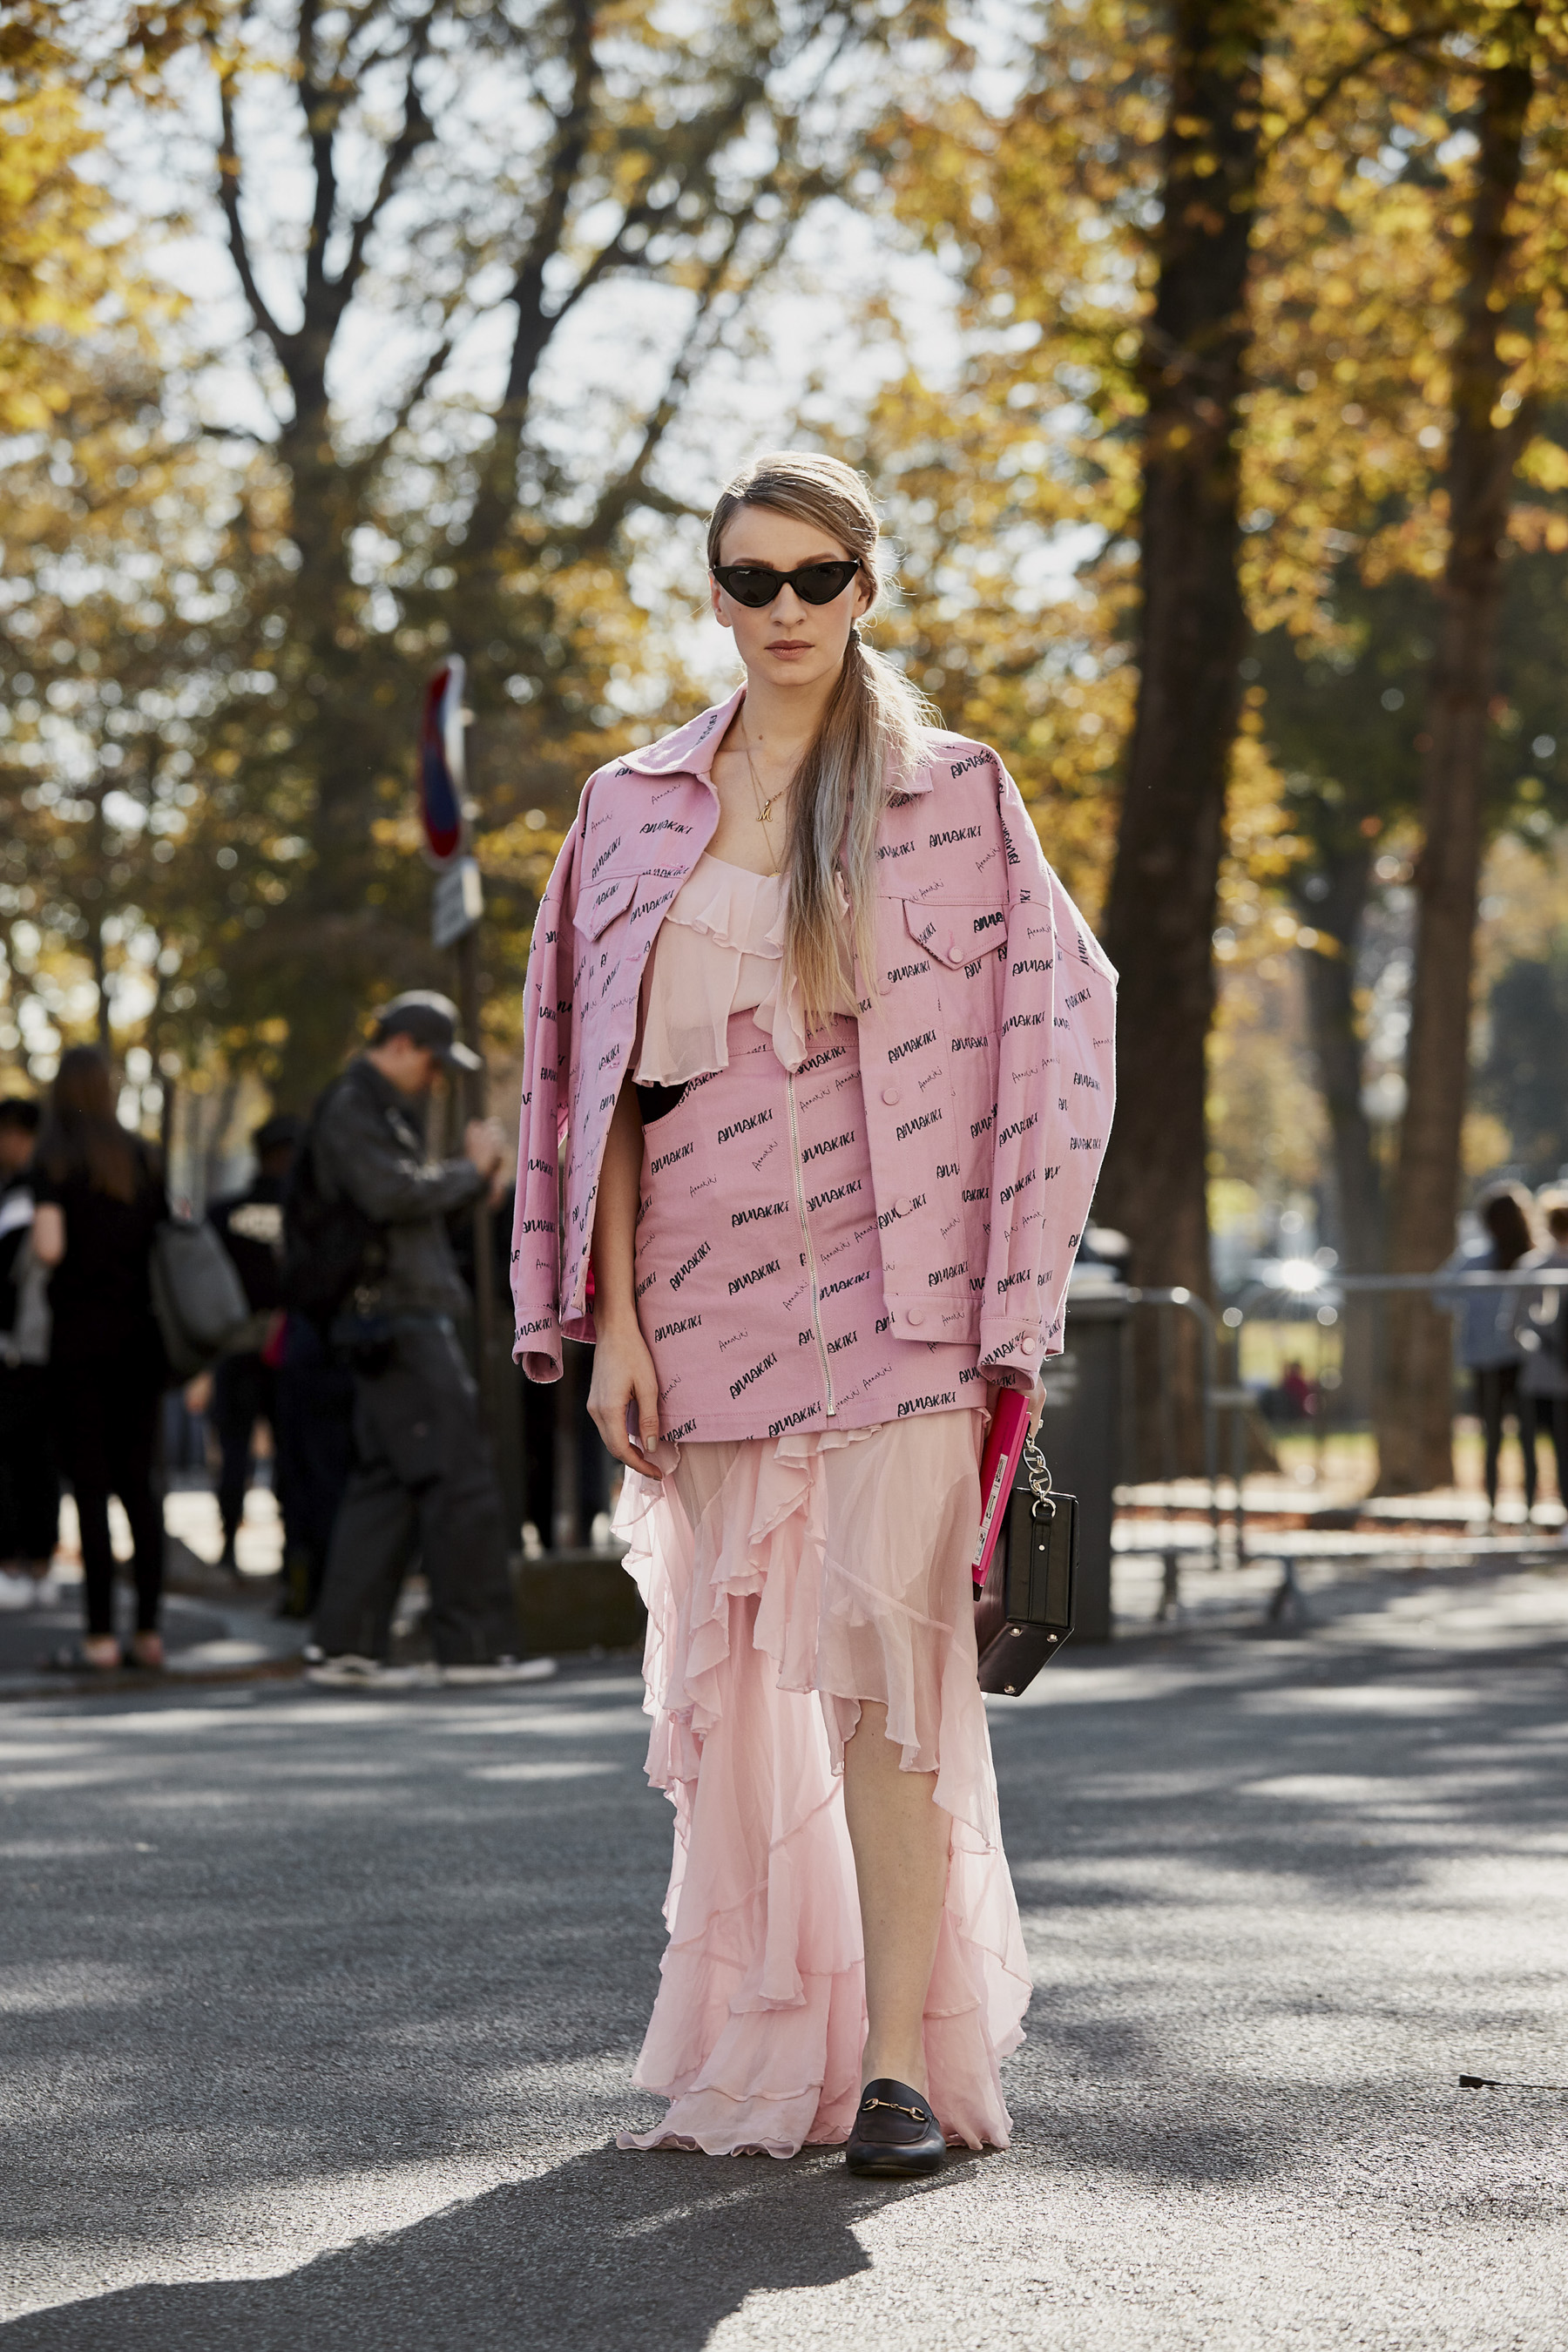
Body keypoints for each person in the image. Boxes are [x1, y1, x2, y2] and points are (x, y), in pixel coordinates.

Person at [512, 452, 1116, 2174]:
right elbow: (596, 1087)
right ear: (715, 594)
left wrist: (1007, 1292)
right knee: (750, 1694)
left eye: (815, 577)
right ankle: (778, 2041)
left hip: (905, 1298)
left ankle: (900, 2072)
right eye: (750, 579)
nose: (783, 609)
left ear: (866, 587)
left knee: (893, 1677)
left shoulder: (953, 792)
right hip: (703, 1298)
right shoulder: (630, 806)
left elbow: (1062, 1025)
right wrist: (615, 1325)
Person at [305, 991, 555, 1688]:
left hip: (387, 1316)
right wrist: (468, 1172)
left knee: (389, 1482)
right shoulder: (355, 1106)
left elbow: (398, 1203)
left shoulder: (369, 1107)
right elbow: (391, 1194)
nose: (436, 1079)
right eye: (433, 1062)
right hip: (399, 1316)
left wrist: (467, 1185)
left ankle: (346, 1644)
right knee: (459, 1476)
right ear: (403, 1045)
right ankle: (474, 1647)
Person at [30, 1047, 169, 1671]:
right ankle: (150, 1633)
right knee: (141, 1487)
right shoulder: (144, 1157)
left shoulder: (54, 1160)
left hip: (79, 1343)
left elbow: (49, 1248)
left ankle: (99, 1637)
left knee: (90, 1489)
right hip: (141, 1338)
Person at [205, 1113, 301, 1571]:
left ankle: (229, 1547)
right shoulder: (304, 1211)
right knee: (291, 1453)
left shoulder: (224, 1214)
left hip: (239, 1344)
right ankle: (293, 1555)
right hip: (291, 1345)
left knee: (235, 1451)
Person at [1437, 1182, 1538, 1526]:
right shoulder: (1526, 1259)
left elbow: (1440, 1294)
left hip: (1498, 1362)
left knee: (1494, 1439)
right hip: (1518, 1361)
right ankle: (1525, 1513)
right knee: (1524, 1439)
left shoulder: (1478, 1260)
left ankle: (1495, 1512)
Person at [0, 1097, 58, 1602]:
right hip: (40, 1343)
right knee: (37, 1461)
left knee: (21, 1460)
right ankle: (37, 1564)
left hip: (24, 1344)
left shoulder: (29, 1192)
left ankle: (22, 1564)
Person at [1517, 1190, 1568, 1529]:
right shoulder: (1535, 1267)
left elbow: (1514, 1325)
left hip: (1540, 1375)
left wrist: (1532, 1352)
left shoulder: (1532, 1267)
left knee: (1535, 1447)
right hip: (1549, 1374)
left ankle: (1530, 1515)